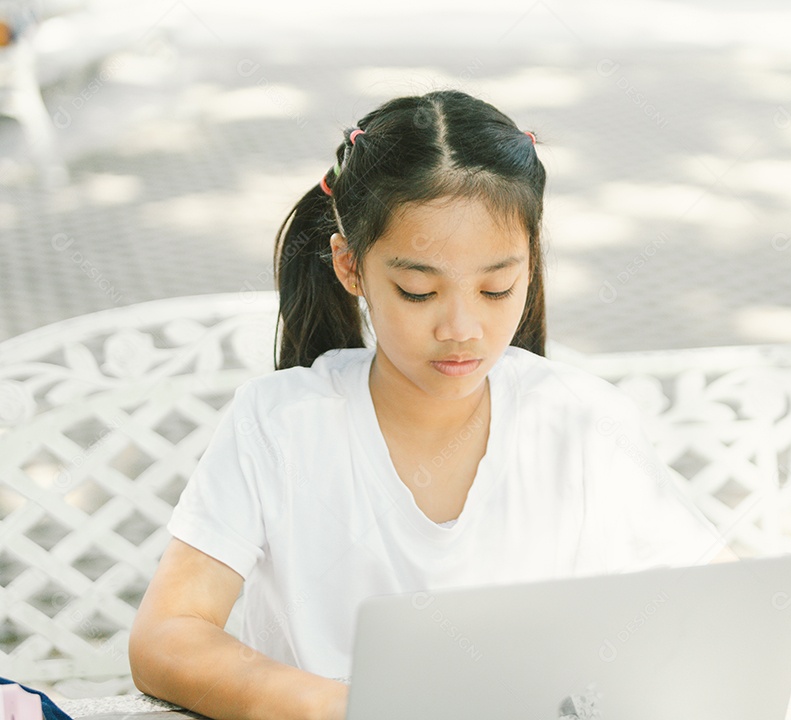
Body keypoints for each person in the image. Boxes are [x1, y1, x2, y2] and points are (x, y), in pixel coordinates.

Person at [128, 89, 730, 720]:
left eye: (497, 288)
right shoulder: (281, 426)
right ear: (350, 267)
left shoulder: (579, 420)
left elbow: (722, 599)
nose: (462, 327)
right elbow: (168, 636)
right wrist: (348, 708)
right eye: (418, 291)